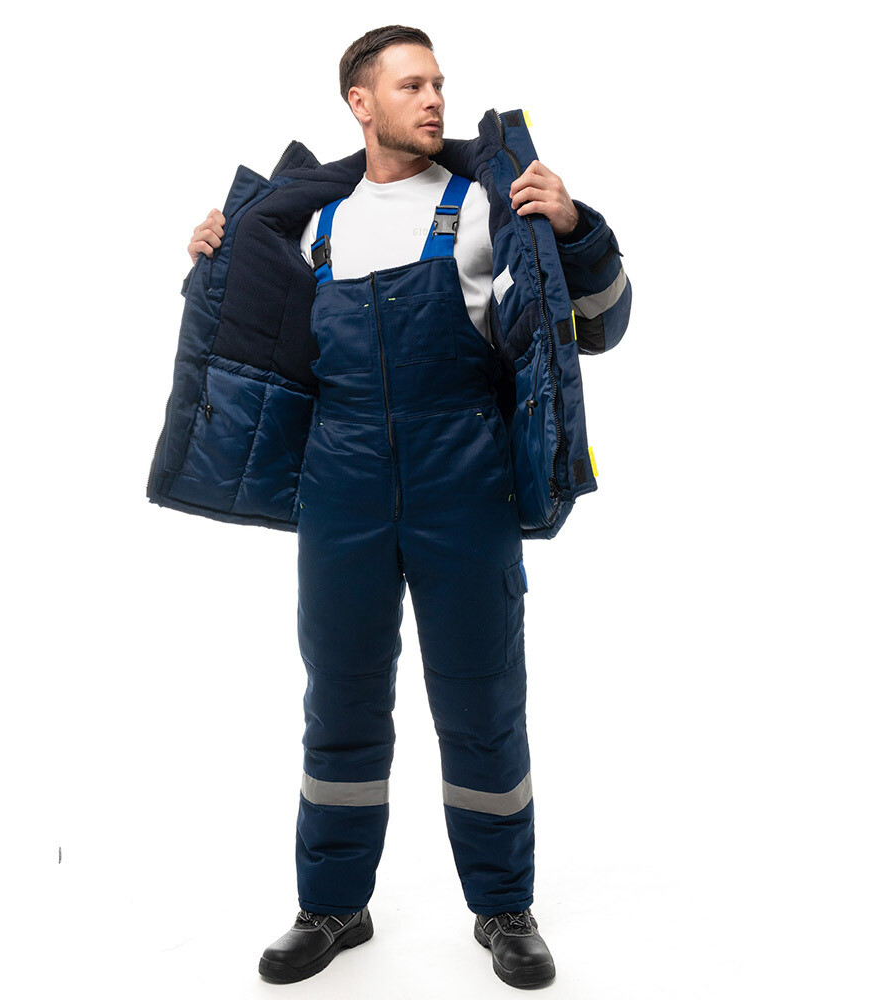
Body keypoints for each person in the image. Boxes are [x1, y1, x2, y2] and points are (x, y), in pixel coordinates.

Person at [181, 25, 629, 991]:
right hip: (338, 482)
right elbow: (247, 338)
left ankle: (503, 907)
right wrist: (213, 258)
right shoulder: (313, 221)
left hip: (461, 476)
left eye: (438, 84)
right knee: (339, 700)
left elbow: (600, 325)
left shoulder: (488, 206)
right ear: (360, 103)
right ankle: (333, 905)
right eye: (411, 85)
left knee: (481, 700)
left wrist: (575, 229)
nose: (434, 101)